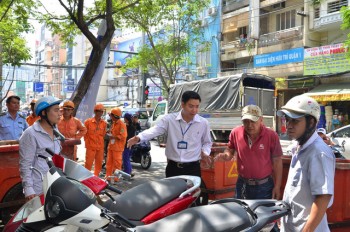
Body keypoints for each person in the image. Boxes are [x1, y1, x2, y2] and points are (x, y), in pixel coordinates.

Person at [277, 95, 335, 232]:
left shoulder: (318, 152)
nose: (289, 126)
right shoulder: (300, 146)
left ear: (311, 123)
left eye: (295, 121)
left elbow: (323, 197)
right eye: (287, 120)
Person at [127, 91, 212, 178]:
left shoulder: (203, 123)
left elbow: (207, 142)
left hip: (193, 168)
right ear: (182, 105)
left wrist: (205, 153)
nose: (194, 110)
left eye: (197, 107)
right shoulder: (170, 120)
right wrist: (138, 137)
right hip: (173, 168)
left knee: (192, 192)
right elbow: (155, 130)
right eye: (191, 106)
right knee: (173, 192)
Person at [216, 105, 283, 200]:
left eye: (253, 121)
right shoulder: (235, 132)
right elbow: (230, 149)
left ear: (261, 119)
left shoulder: (271, 135)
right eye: (246, 121)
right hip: (242, 184)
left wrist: (277, 186)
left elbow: (277, 161)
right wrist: (226, 155)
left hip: (264, 186)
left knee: (262, 214)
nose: (249, 125)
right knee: (241, 213)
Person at [19, 96, 62, 201]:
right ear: (44, 113)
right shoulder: (31, 133)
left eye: (59, 110)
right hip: (38, 187)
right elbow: (25, 164)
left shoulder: (56, 130)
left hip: (55, 182)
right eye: (56, 110)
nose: (60, 113)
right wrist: (29, 189)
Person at [84, 103, 107, 176]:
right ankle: (85, 178)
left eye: (101, 111)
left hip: (100, 147)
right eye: (98, 111)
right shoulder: (88, 122)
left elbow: (103, 134)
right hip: (90, 147)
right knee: (88, 164)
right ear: (95, 111)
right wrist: (88, 143)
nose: (100, 113)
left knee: (99, 164)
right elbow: (85, 133)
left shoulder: (104, 123)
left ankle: (96, 178)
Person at [105, 107, 127, 182]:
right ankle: (108, 177)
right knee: (109, 163)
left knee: (117, 164)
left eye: (111, 115)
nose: (110, 116)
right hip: (111, 147)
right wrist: (109, 133)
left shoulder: (122, 124)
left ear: (115, 116)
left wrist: (113, 136)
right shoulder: (114, 123)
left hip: (117, 148)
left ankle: (116, 178)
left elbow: (123, 136)